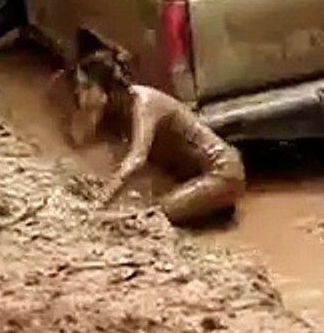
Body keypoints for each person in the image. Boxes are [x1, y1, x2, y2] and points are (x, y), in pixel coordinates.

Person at [68, 52, 246, 226]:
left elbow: (137, 159)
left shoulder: (143, 104)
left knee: (152, 217)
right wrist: (90, 111)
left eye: (86, 86)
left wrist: (100, 203)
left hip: (222, 172)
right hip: (195, 175)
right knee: (146, 207)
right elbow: (81, 141)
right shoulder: (118, 109)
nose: (78, 91)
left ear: (107, 88)